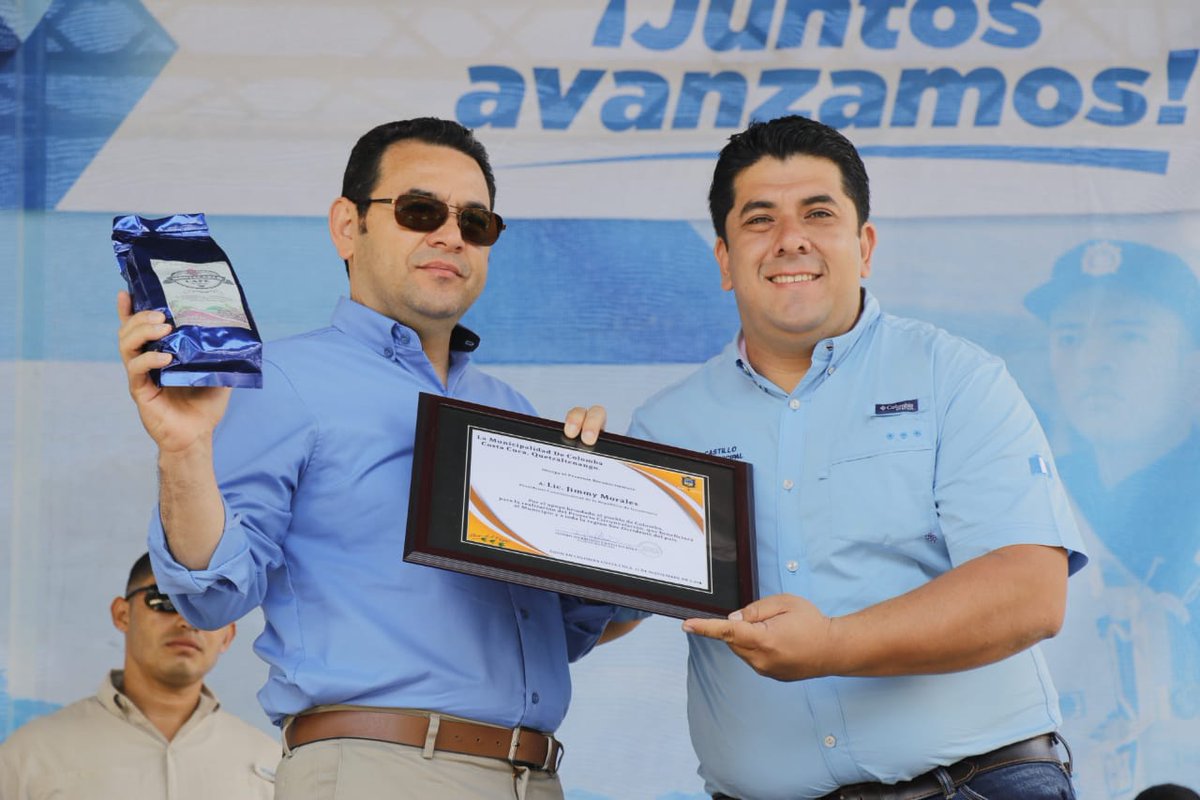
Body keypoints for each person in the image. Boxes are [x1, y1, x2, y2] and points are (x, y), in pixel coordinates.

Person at [115, 118, 613, 800]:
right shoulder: (281, 382)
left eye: (476, 222)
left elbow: (563, 631)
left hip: (534, 776)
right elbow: (210, 593)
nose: (449, 235)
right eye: (419, 211)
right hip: (380, 770)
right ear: (348, 227)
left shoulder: (513, 410)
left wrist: (625, 531)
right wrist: (184, 450)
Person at [623, 115, 1087, 800]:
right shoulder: (664, 426)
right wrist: (565, 485)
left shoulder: (954, 376)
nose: (791, 240)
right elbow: (594, 618)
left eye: (819, 213)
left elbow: (1031, 595)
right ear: (723, 259)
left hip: (978, 786)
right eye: (759, 220)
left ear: (864, 245)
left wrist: (833, 644)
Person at [1025, 240, 1200, 796]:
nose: (1094, 360)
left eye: (1129, 335)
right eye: (1069, 337)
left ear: (1190, 356)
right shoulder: (1029, 490)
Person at [0, 553, 278, 799]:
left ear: (227, 636)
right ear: (123, 614)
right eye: (165, 600)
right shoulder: (30, 756)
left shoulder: (270, 764)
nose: (188, 621)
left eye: (209, 611)